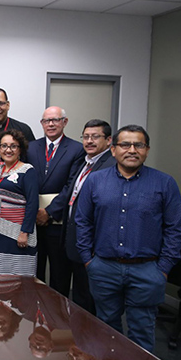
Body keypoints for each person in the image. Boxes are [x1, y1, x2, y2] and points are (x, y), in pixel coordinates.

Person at [76, 125, 181, 352]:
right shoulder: (95, 181)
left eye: (138, 145)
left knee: (142, 332)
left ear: (147, 150)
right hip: (103, 268)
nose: (132, 150)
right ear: (113, 150)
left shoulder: (164, 183)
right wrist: (88, 260)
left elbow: (175, 229)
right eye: (125, 144)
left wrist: (163, 268)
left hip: (147, 271)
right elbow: (82, 222)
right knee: (106, 328)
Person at [27, 106, 84, 293]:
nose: (51, 124)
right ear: (42, 124)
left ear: (64, 122)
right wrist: (34, 211)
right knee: (33, 273)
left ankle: (58, 311)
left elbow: (72, 185)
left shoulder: (77, 149)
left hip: (58, 221)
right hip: (32, 221)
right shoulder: (31, 147)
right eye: (46, 121)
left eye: (55, 120)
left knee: (60, 273)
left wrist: (49, 212)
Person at [62, 119, 115, 314]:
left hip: (94, 247)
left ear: (108, 140)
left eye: (95, 137)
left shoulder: (111, 166)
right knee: (81, 296)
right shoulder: (86, 163)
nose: (89, 141)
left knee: (92, 301)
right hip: (79, 242)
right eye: (86, 137)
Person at [0, 130, 39, 275]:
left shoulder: (27, 171)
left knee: (19, 277)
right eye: (4, 146)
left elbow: (33, 204)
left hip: (18, 233)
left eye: (13, 146)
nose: (8, 150)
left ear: (20, 149)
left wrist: (25, 232)